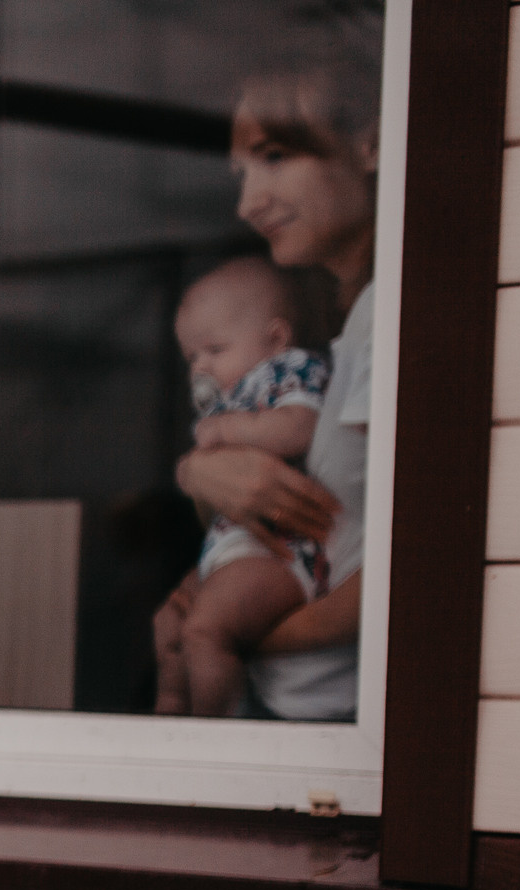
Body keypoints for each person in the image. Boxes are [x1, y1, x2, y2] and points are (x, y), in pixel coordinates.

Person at [174, 57, 382, 721]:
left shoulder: (394, 317)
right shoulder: (344, 330)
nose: (247, 203)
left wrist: (223, 633)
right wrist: (199, 474)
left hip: (339, 728)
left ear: (371, 145)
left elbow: (419, 571)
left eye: (274, 156)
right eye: (242, 173)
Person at [154, 257, 328, 716]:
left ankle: (218, 734)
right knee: (168, 625)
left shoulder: (287, 371)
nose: (201, 368)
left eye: (214, 349)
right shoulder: (231, 402)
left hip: (279, 554)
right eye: (192, 357)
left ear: (275, 338)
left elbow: (298, 428)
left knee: (205, 631)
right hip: (231, 547)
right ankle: (170, 711)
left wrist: (231, 431)